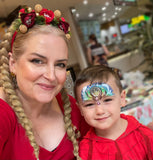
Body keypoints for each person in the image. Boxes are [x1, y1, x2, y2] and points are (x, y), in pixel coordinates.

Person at [0, 4, 89, 160]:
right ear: (12, 63)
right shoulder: (3, 113)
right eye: (37, 61)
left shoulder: (69, 106)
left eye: (60, 64)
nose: (51, 76)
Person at [74, 65, 153, 160]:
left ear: (122, 99)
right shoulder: (85, 151)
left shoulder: (145, 137)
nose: (100, 111)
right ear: (80, 109)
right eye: (89, 105)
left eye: (107, 100)